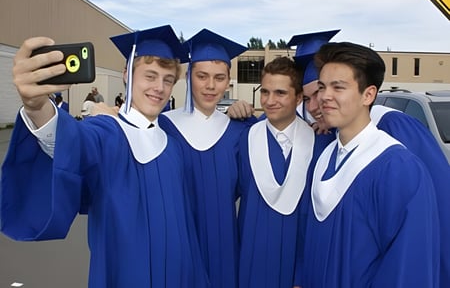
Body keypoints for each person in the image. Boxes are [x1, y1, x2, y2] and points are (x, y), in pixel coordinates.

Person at [1, 25, 209, 288]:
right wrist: (36, 106)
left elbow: (186, 227)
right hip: (126, 277)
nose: (159, 87)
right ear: (127, 75)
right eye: (150, 76)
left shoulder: (173, 145)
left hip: (181, 275)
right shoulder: (107, 132)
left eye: (168, 80)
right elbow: (72, 143)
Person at [290, 32, 450, 287]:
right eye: (321, 88)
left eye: (338, 87)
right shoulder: (323, 159)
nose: (323, 98)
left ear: (368, 95)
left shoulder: (398, 167)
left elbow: (407, 264)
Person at [158, 28, 252, 288]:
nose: (211, 86)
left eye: (219, 78)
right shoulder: (164, 126)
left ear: (228, 81)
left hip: (225, 247)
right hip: (176, 243)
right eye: (202, 76)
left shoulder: (238, 131)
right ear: (188, 77)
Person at [237, 56, 325, 288]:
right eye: (265, 92)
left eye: (280, 93)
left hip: (297, 263)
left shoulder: (319, 145)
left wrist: (302, 274)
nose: (270, 100)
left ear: (298, 98)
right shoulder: (243, 139)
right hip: (251, 260)